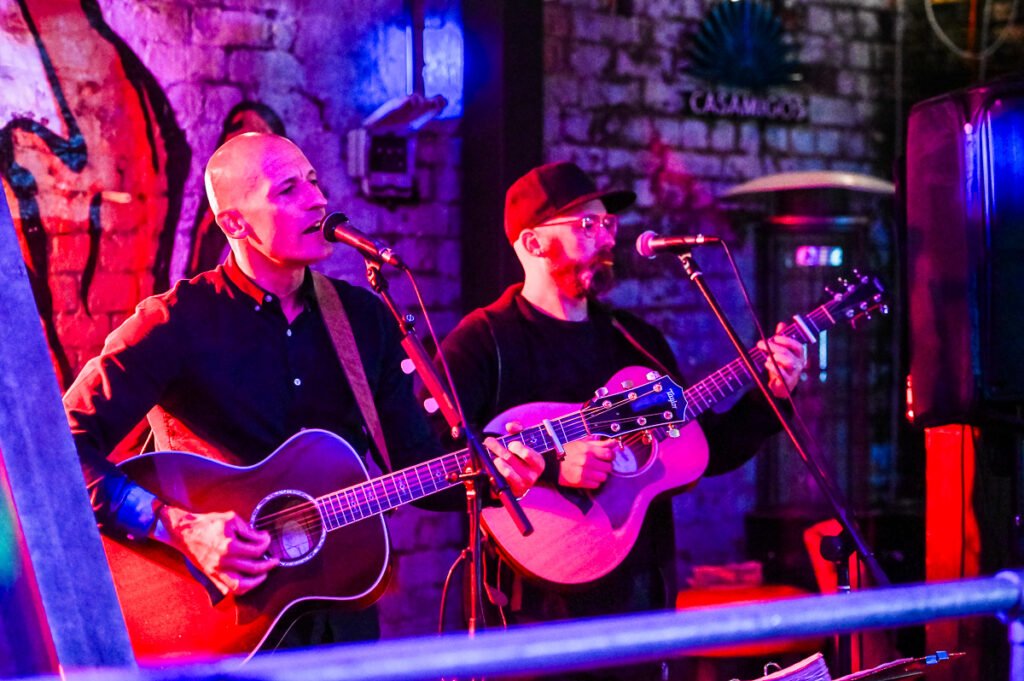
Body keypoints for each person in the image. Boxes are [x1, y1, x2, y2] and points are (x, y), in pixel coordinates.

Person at [63, 132, 544, 651]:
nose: (317, 199)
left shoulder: (363, 319)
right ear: (234, 223)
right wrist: (175, 525)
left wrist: (497, 475)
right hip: (220, 620)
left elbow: (419, 463)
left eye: (314, 181)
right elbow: (60, 445)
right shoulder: (176, 320)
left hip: (340, 622)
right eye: (287, 188)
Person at [434, 161, 807, 680]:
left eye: (608, 224)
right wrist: (552, 466)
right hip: (531, 618)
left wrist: (771, 396)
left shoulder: (636, 341)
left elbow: (702, 450)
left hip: (636, 605)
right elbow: (434, 468)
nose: (606, 237)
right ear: (534, 244)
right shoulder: (484, 343)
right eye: (586, 226)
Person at [185, 101, 287, 278]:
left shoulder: (276, 216)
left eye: (256, 131)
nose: (242, 136)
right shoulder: (211, 210)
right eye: (237, 127)